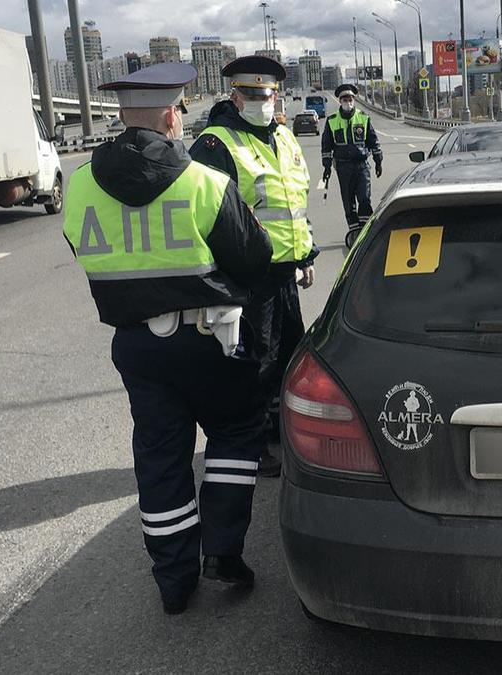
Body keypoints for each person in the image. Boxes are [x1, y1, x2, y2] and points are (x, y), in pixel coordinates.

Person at [62, 64, 274, 615]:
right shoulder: (203, 181)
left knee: (160, 457)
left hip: (137, 348)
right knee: (236, 431)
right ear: (168, 114)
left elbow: (82, 254)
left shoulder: (80, 182)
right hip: (209, 341)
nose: (181, 118)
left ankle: (174, 580)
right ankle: (224, 550)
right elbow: (254, 257)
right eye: (179, 110)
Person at [190, 56, 317, 477]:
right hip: (248, 278)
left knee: (290, 355)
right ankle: (250, 441)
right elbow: (206, 215)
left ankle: (278, 428)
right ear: (235, 95)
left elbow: (295, 199)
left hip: (284, 274)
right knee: (253, 362)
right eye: (253, 94)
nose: (263, 100)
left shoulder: (284, 136)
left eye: (268, 94)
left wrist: (307, 254)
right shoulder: (216, 143)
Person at [320, 84, 383, 238]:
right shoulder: (332, 121)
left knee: (364, 198)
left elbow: (373, 141)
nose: (348, 102)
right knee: (349, 203)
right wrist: (327, 167)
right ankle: (354, 233)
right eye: (344, 99)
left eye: (350, 99)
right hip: (343, 167)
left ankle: (365, 232)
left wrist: (378, 161)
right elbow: (326, 146)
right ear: (340, 101)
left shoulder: (363, 118)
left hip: (362, 166)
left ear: (354, 100)